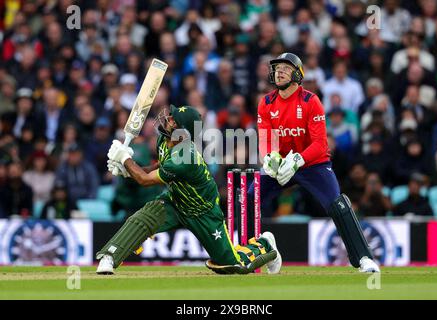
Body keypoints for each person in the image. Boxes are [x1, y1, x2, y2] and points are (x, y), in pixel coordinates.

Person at [97, 105, 281, 275]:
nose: (168, 119)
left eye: (173, 120)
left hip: (203, 212)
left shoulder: (185, 158)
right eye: (171, 116)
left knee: (233, 265)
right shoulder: (165, 138)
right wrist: (127, 170)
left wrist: (125, 159)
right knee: (143, 219)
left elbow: (144, 181)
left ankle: (265, 244)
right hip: (175, 200)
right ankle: (109, 257)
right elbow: (157, 167)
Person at [253, 52, 379, 272]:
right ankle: (259, 250)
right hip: (282, 164)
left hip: (312, 164)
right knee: (246, 199)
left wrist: (299, 160)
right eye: (277, 68)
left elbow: (321, 144)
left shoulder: (311, 101)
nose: (279, 72)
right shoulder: (266, 102)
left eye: (285, 68)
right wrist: (269, 158)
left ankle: (363, 259)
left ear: (298, 74)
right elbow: (265, 140)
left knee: (337, 205)